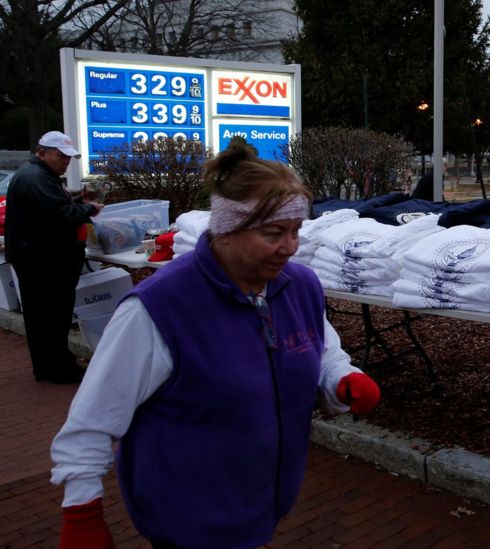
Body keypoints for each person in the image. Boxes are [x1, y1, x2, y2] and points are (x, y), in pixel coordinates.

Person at [50, 144, 382, 547]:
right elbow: (93, 419)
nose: (291, 246)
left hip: (262, 501)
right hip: (185, 516)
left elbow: (318, 348)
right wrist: (81, 512)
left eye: (296, 230)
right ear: (227, 228)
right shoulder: (160, 307)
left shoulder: (300, 287)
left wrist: (341, 377)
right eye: (273, 233)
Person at [4, 131, 103, 384]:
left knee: (45, 316)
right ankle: (58, 368)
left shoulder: (39, 175)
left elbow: (53, 207)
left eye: (68, 158)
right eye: (60, 156)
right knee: (50, 316)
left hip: (40, 258)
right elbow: (60, 217)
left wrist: (79, 200)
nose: (65, 162)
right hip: (43, 261)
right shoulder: (35, 178)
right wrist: (89, 208)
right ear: (42, 152)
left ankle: (51, 365)